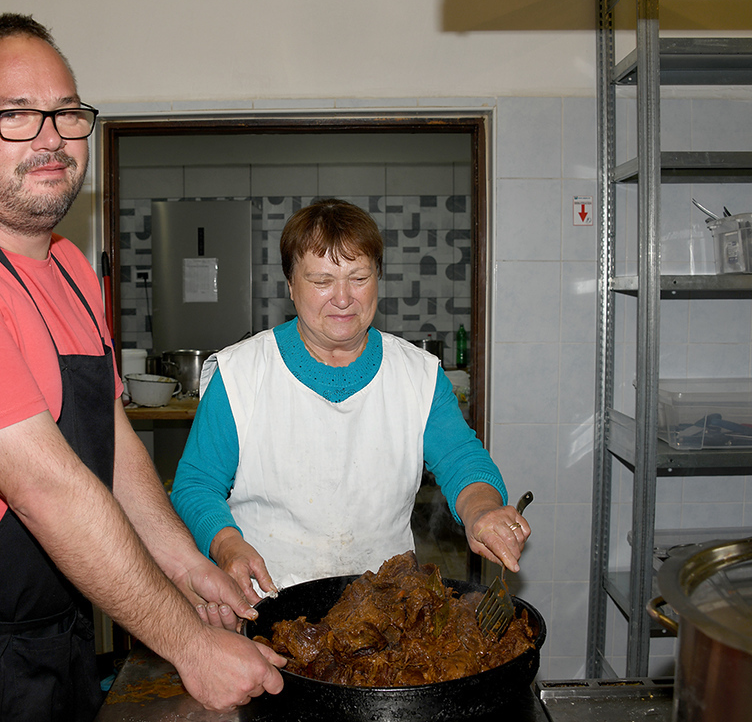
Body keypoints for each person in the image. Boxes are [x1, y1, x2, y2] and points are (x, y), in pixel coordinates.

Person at [0, 13, 283, 722]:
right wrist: (190, 643)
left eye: (67, 114)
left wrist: (187, 566)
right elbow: (49, 490)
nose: (50, 136)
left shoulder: (68, 265)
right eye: (14, 113)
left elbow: (112, 444)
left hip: (48, 645)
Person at [170, 199, 531, 605]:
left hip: (387, 608)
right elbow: (196, 485)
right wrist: (226, 545)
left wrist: (482, 510)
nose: (343, 299)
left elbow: (461, 459)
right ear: (290, 285)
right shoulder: (242, 374)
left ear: (378, 278)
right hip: (266, 601)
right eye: (322, 280)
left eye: (358, 277)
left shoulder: (417, 375)